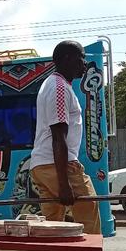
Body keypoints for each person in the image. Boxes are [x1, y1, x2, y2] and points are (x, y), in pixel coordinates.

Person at [29, 40, 101, 234]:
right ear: (67, 59)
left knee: (53, 226)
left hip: (43, 165)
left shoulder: (52, 85)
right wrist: (64, 183)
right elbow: (58, 136)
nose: (84, 64)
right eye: (81, 58)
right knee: (89, 213)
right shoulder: (59, 88)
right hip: (58, 165)